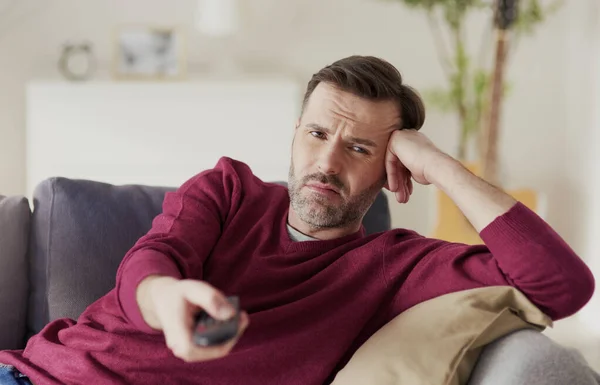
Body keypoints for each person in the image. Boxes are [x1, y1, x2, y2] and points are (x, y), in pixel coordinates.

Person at [0, 56, 595, 385]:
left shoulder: (397, 267)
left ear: (392, 169)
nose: (327, 161)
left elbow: (562, 286)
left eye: (360, 149)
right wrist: (168, 296)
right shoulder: (229, 188)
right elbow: (152, 262)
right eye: (316, 134)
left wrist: (440, 163)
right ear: (295, 136)